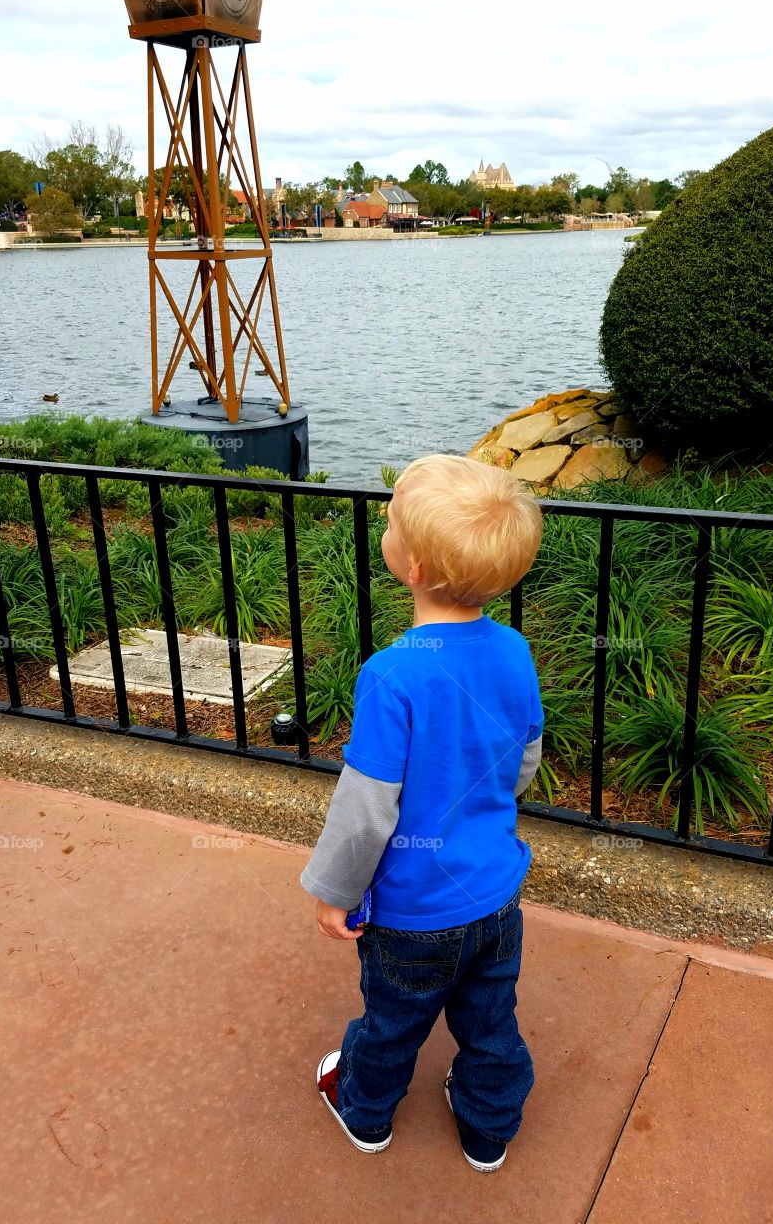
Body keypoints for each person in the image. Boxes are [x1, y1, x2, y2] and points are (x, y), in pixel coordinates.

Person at [300, 453, 545, 1173]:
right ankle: (487, 1130)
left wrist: (334, 892)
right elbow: (521, 759)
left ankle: (365, 1111)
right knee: (490, 1022)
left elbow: (368, 808)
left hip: (414, 913)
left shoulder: (393, 674)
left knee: (392, 1022)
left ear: (409, 566)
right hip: (495, 898)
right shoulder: (514, 650)